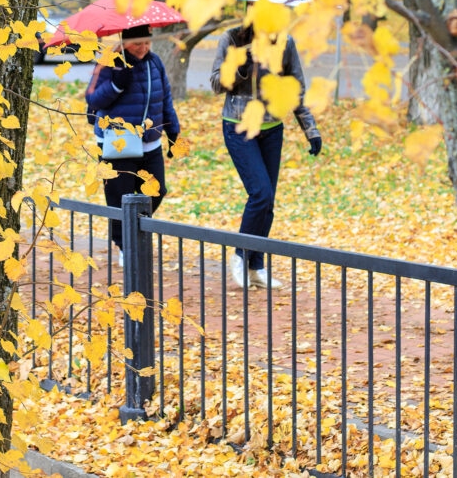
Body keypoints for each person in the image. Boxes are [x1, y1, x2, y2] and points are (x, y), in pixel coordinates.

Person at [209, 23, 322, 289]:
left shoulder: (285, 42)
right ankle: (240, 255)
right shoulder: (232, 38)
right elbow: (216, 83)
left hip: (271, 129)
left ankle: (255, 267)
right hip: (239, 126)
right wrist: (240, 66)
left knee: (267, 200)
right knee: (260, 193)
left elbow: (296, 88)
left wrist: (310, 129)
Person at [86, 25, 181, 263]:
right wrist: (117, 84)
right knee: (120, 197)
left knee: (156, 191)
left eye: (147, 43)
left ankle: (134, 229)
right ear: (125, 41)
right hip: (117, 142)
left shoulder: (154, 62)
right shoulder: (111, 61)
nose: (143, 48)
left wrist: (173, 130)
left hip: (149, 142)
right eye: (138, 43)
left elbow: (164, 97)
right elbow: (93, 98)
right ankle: (124, 246)